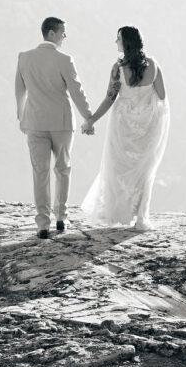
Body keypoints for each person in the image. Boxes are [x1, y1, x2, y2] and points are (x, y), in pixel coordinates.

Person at [80, 26, 170, 231]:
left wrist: (91, 120)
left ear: (126, 42)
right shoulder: (154, 65)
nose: (115, 42)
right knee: (145, 170)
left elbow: (110, 98)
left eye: (118, 38)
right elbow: (162, 96)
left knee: (118, 167)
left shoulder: (117, 68)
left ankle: (118, 213)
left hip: (122, 125)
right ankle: (141, 218)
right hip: (148, 125)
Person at [15, 16, 95, 239]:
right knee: (62, 168)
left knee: (39, 173)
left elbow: (19, 91)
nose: (64, 36)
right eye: (62, 32)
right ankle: (61, 217)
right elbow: (77, 91)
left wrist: (21, 116)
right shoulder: (64, 59)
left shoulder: (24, 58)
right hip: (61, 122)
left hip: (34, 122)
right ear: (51, 33)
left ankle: (42, 224)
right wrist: (88, 117)